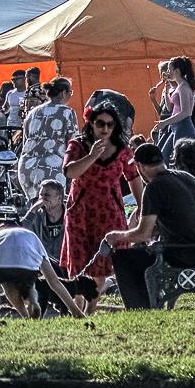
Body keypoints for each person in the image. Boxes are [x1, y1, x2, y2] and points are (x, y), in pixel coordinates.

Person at [104, 143, 195, 309]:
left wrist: (116, 236)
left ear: (140, 166)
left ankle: (139, 308)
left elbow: (143, 234)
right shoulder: (186, 177)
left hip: (181, 254)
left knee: (123, 257)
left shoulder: (154, 187)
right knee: (139, 252)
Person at [0, 222, 89, 320]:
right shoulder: (30, 236)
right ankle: (33, 302)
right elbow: (54, 282)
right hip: (27, 266)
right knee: (29, 283)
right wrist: (76, 311)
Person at [60, 101, 132, 282]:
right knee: (79, 262)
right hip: (81, 211)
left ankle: (92, 304)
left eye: (110, 124)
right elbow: (69, 171)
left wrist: (140, 205)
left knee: (106, 261)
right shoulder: (77, 145)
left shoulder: (122, 148)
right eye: (100, 123)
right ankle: (76, 304)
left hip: (110, 211)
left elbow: (133, 177)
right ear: (91, 123)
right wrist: (92, 156)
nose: (105, 128)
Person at [17, 77, 77, 199]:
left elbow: (25, 141)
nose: (70, 96)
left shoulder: (33, 113)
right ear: (63, 93)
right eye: (70, 93)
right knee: (54, 212)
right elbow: (72, 145)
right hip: (52, 168)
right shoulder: (67, 112)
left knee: (35, 209)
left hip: (26, 168)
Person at [147, 55, 195, 157]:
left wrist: (165, 122)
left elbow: (185, 112)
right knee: (163, 154)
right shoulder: (179, 87)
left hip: (183, 126)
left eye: (169, 69)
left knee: (179, 159)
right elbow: (170, 108)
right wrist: (166, 91)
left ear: (177, 71)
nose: (167, 72)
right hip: (176, 126)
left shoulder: (184, 87)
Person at [20, 180, 69, 267]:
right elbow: (21, 232)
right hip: (43, 267)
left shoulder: (70, 216)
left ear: (59, 198)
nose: (42, 199)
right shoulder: (36, 216)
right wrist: (32, 210)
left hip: (66, 266)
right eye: (40, 195)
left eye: (47, 195)